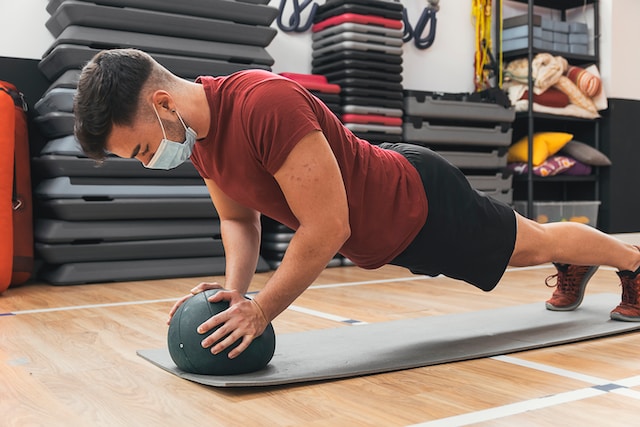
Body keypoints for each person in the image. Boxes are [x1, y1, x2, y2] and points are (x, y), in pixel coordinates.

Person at [73, 48, 640, 359]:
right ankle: (578, 262)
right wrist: (237, 291)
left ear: (165, 103)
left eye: (145, 148)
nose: (152, 162)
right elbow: (236, 219)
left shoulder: (263, 104)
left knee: (533, 245)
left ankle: (631, 263)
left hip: (418, 204)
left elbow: (327, 226)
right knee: (531, 247)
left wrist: (262, 310)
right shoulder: (197, 142)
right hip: (388, 224)